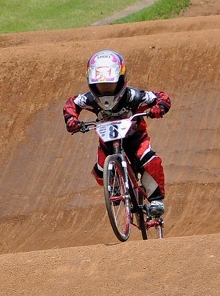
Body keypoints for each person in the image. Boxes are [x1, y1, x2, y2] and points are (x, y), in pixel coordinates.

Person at [63, 49, 171, 215]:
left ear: (121, 80)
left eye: (110, 85)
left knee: (150, 161)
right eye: (101, 86)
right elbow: (71, 104)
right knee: (100, 170)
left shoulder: (134, 96)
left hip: (136, 139)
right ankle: (113, 184)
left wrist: (159, 108)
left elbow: (162, 97)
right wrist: (72, 120)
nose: (106, 90)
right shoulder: (89, 99)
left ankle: (156, 200)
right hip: (107, 143)